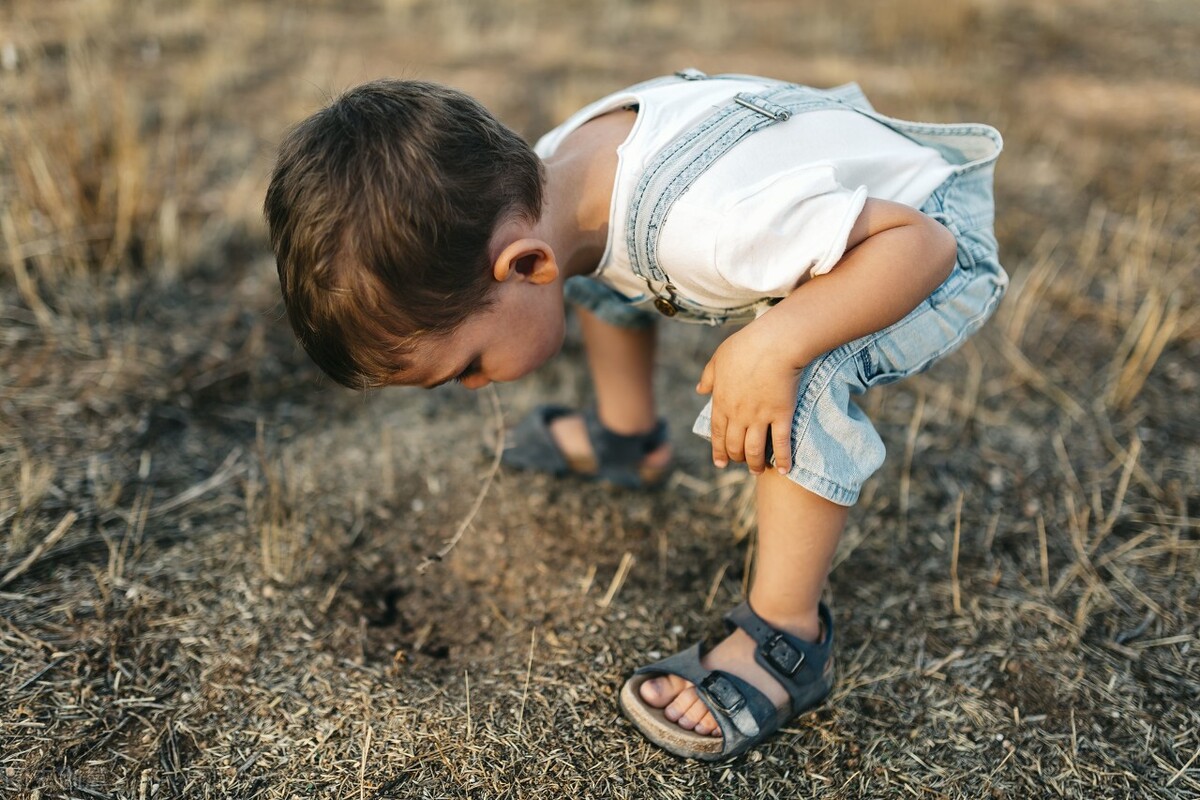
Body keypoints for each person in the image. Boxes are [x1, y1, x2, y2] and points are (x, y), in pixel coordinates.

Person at [264, 70, 1006, 761]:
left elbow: (923, 243)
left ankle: (788, 638)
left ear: (526, 266)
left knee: (796, 371)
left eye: (465, 367)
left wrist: (777, 341)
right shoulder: (551, 175)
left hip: (922, 245)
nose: (471, 388)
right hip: (843, 208)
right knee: (596, 272)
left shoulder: (714, 229)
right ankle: (628, 439)